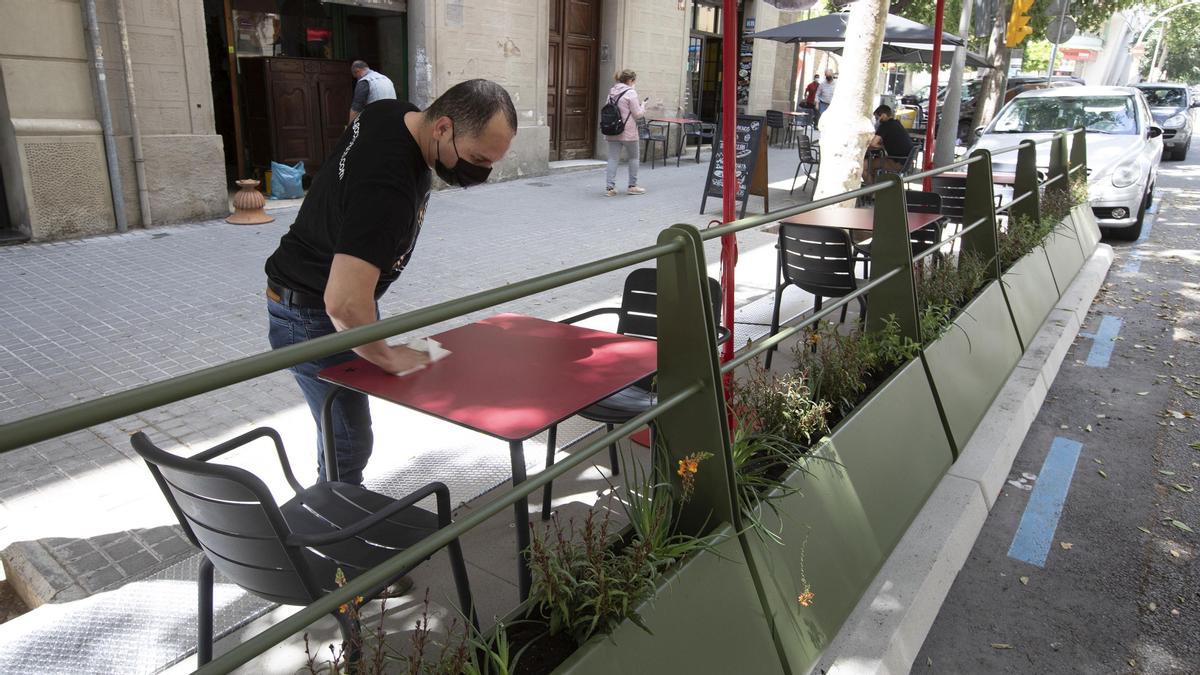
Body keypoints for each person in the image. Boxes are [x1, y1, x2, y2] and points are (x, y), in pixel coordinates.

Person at [265, 79, 518, 485]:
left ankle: (333, 507)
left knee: (339, 430)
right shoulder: (388, 186)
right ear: (442, 128)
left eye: (490, 163)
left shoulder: (393, 113)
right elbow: (344, 304)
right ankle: (332, 526)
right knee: (348, 440)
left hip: (320, 292)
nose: (480, 172)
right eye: (475, 158)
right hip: (313, 312)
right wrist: (385, 355)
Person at [603, 69, 647, 197]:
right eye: (634, 81)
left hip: (612, 130)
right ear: (630, 80)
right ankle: (632, 186)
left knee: (612, 159)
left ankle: (610, 188)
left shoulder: (611, 92)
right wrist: (643, 106)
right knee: (634, 158)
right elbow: (638, 114)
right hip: (628, 132)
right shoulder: (631, 93)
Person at [864, 104, 915, 183]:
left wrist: (881, 147)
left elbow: (872, 144)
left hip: (897, 162)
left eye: (877, 117)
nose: (876, 120)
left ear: (883, 115)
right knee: (872, 166)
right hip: (905, 161)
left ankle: (872, 192)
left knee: (864, 165)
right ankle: (875, 188)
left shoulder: (885, 125)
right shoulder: (896, 123)